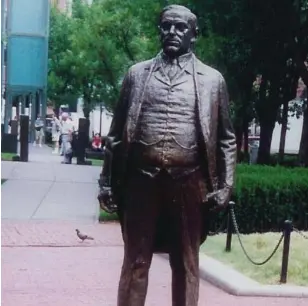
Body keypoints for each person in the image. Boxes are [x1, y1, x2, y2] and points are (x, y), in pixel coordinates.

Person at [97, 5, 236, 306]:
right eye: (166, 26)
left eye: (180, 27)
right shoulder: (136, 75)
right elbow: (115, 134)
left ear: (193, 35)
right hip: (140, 182)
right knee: (135, 261)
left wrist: (225, 186)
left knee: (186, 263)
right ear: (159, 30)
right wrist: (106, 181)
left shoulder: (213, 81)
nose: (172, 32)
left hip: (189, 183)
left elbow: (226, 139)